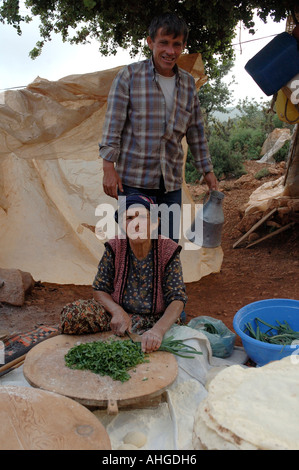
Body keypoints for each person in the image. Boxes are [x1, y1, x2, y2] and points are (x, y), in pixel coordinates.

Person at [99, 12, 218, 242]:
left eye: (177, 44)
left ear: (183, 46)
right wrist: (108, 168)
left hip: (170, 184)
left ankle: (162, 280)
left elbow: (196, 132)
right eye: (163, 43)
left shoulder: (187, 84)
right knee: (137, 249)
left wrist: (208, 171)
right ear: (150, 42)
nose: (170, 51)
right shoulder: (129, 76)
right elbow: (113, 124)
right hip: (133, 182)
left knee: (167, 248)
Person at [60, 194, 188, 353]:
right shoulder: (114, 247)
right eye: (129, 218)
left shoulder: (168, 250)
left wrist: (158, 330)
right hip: (119, 317)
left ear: (154, 223)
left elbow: (177, 298)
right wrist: (117, 311)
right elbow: (99, 289)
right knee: (73, 314)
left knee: (175, 335)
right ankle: (128, 331)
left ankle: (144, 334)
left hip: (154, 320)